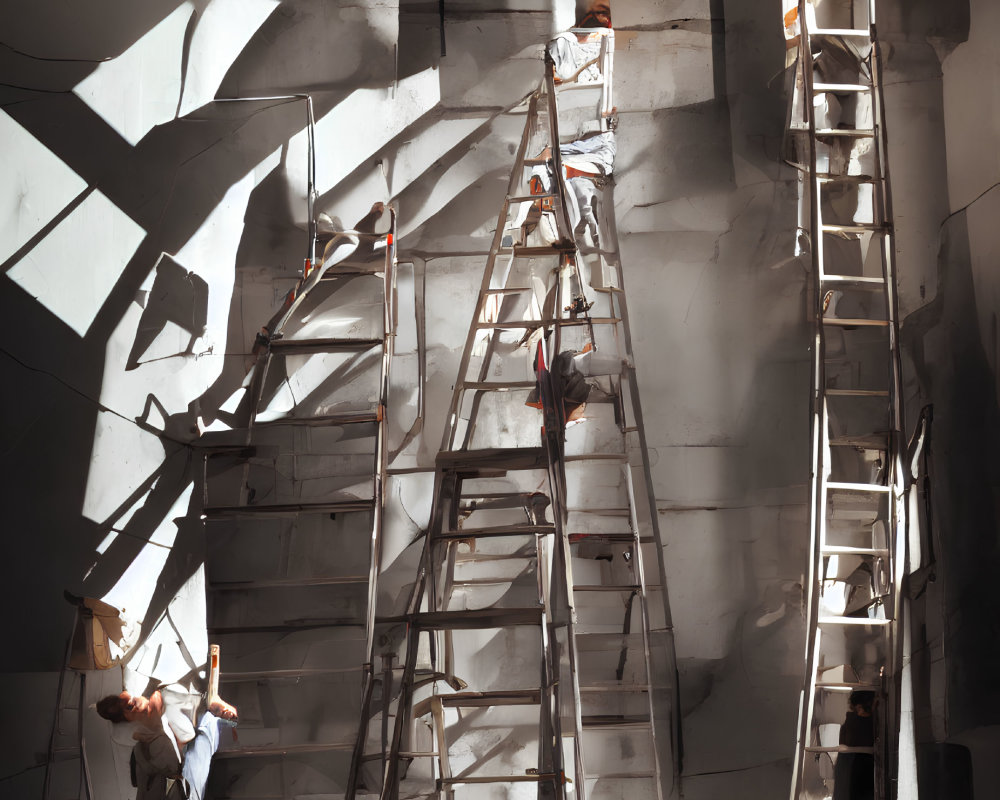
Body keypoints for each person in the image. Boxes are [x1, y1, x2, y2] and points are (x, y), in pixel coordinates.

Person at [97, 686, 238, 800]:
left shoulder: (167, 697)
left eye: (130, 697)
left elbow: (203, 700)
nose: (131, 702)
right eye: (127, 707)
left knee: (204, 734)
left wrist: (217, 704)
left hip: (192, 770)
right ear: (127, 718)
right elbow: (171, 767)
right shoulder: (144, 746)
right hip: (181, 787)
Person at [832, 690, 875, 800]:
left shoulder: (851, 720)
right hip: (856, 765)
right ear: (860, 707)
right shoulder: (856, 722)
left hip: (852, 765)